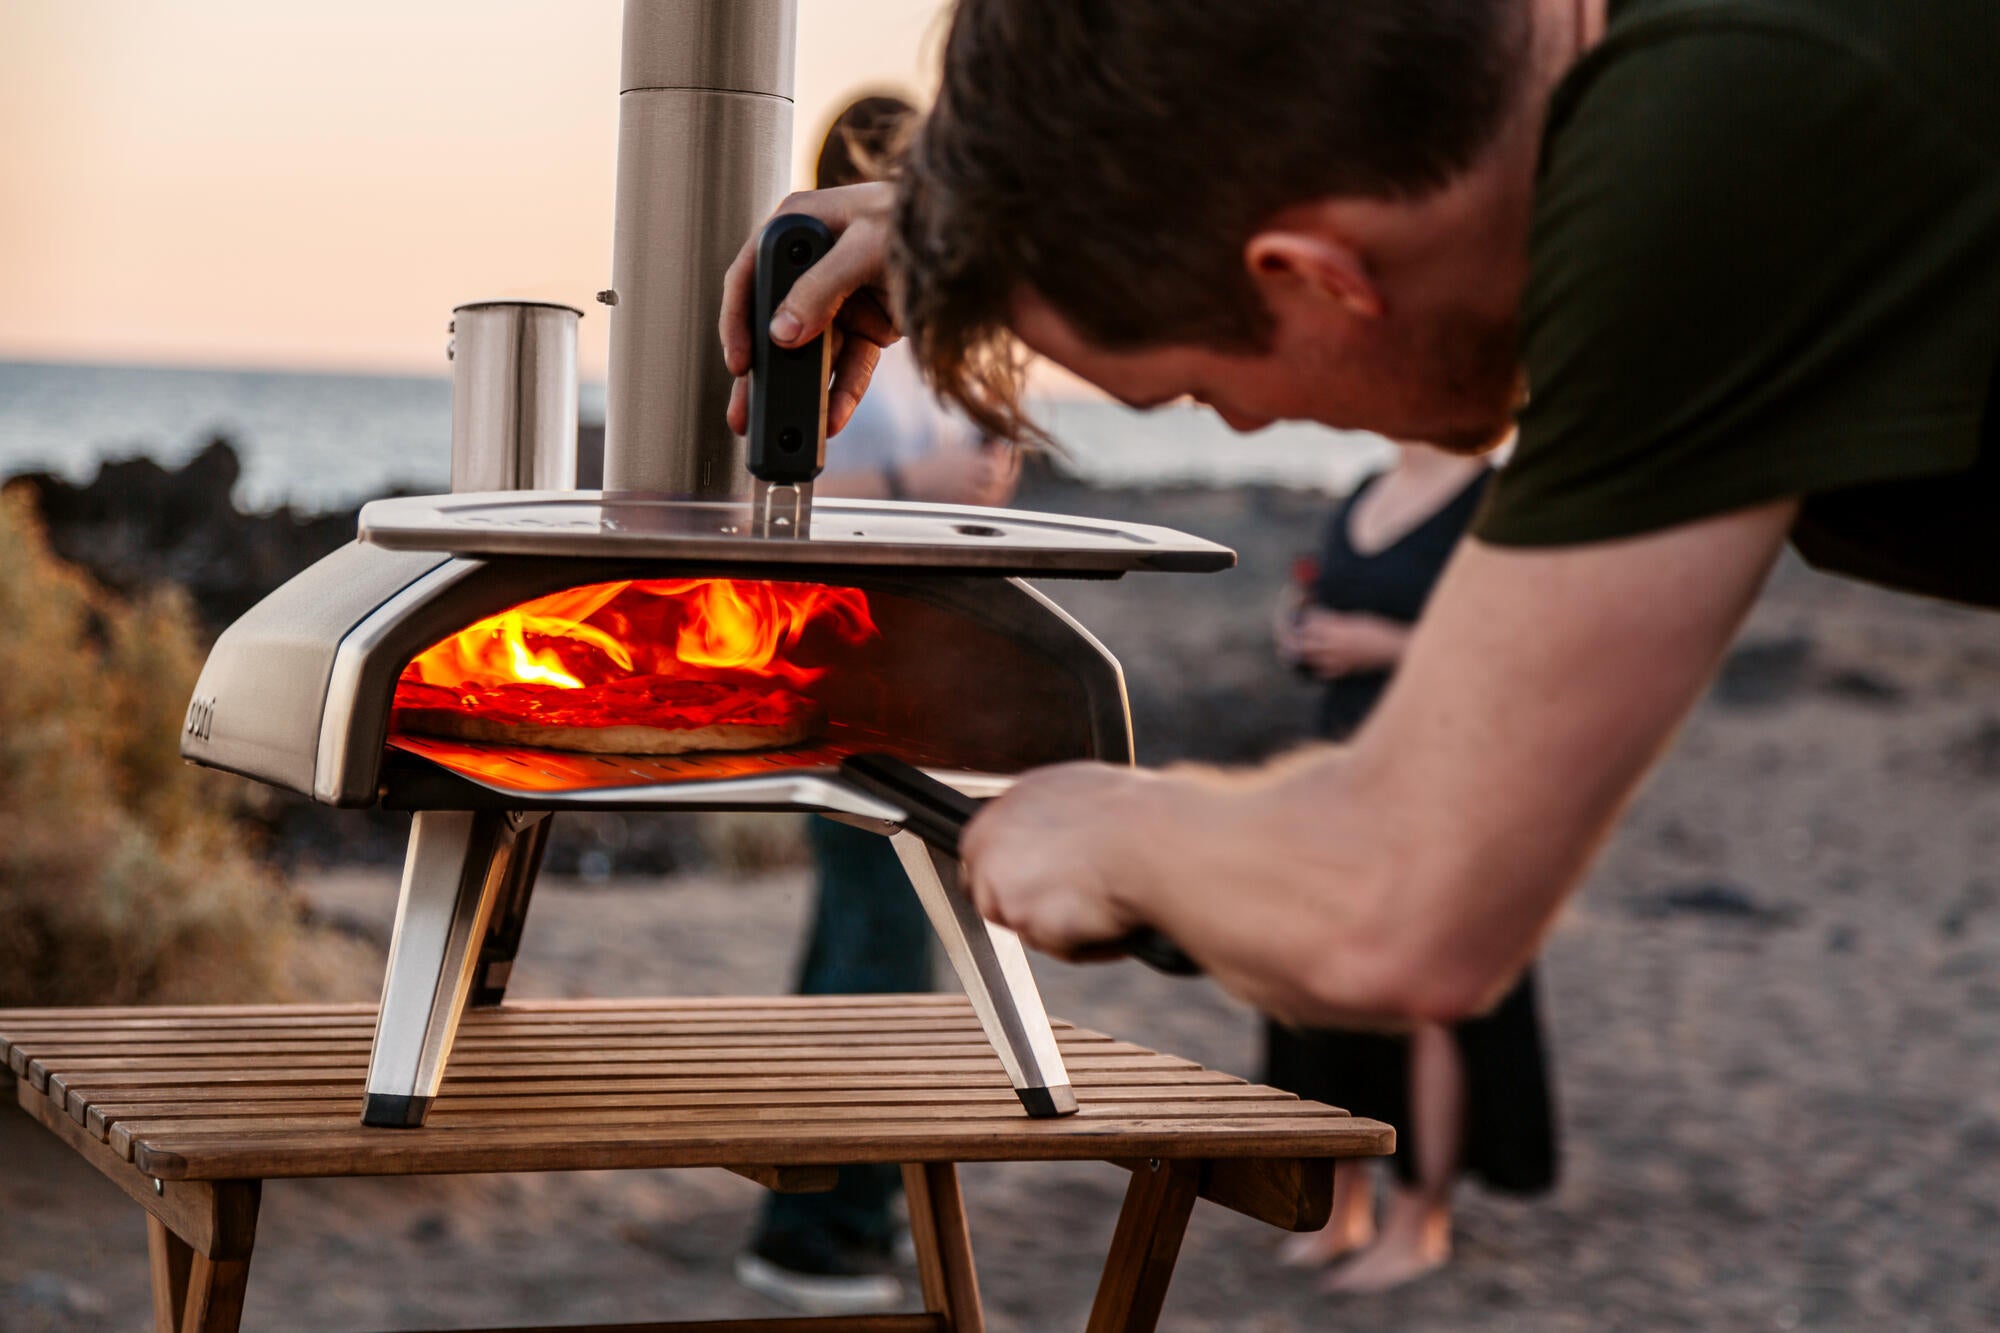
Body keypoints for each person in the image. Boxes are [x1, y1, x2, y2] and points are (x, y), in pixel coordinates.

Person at [716, 0, 2000, 1073]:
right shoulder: (1685, 90)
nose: (1245, 427)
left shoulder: (1721, 144)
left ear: (1316, 276)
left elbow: (1391, 907)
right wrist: (975, 221)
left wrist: (1096, 832)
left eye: (1202, 395)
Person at [734, 92, 1018, 1317]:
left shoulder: (943, 311)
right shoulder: (817, 299)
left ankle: (838, 1212)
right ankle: (814, 1233)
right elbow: (775, 468)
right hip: (849, 661)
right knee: (876, 945)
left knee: (868, 942)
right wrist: (923, 477)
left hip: (931, 657)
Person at [1267, 443, 1556, 1293]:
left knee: (1427, 1000)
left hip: (1448, 775)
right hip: (1341, 763)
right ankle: (1344, 1200)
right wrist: (1302, 630)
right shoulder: (1365, 486)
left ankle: (1418, 1218)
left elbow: (1524, 649)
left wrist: (1382, 643)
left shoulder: (1498, 499)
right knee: (1327, 986)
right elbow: (1325, 599)